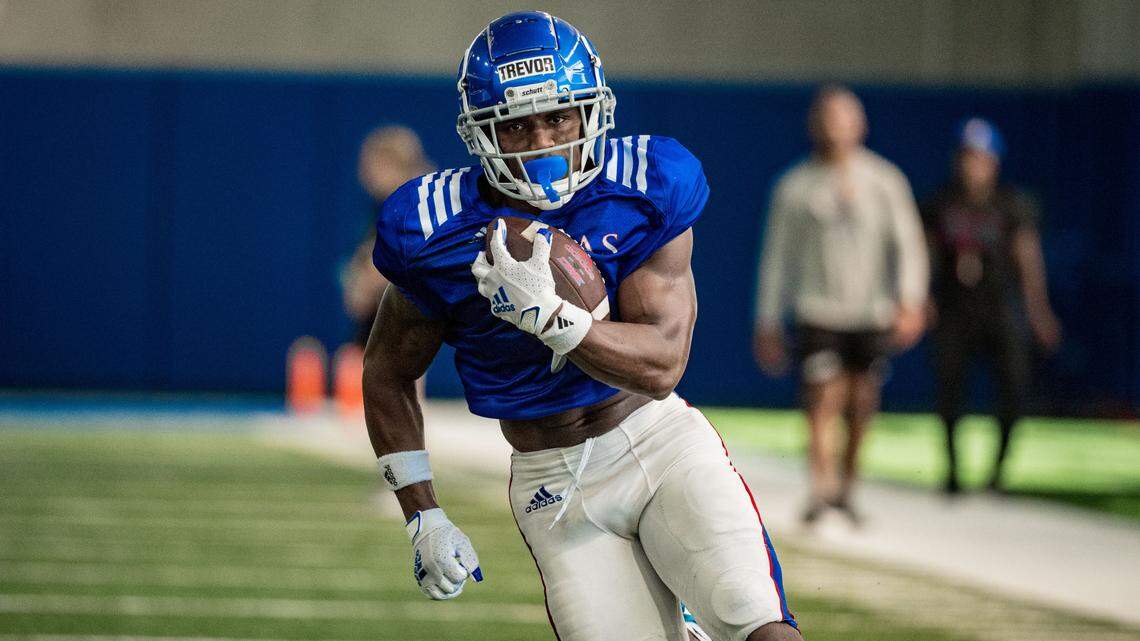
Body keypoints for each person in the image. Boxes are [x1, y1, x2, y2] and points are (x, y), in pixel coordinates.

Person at [363, 11, 800, 641]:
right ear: (479, 134)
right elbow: (386, 372)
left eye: (558, 117)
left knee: (762, 628)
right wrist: (422, 514)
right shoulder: (431, 227)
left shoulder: (646, 182)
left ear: (591, 111)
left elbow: (662, 363)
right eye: (515, 124)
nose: (541, 140)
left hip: (657, 442)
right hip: (552, 483)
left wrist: (555, 319)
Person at [753, 85, 928, 525]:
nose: (835, 129)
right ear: (814, 126)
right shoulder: (794, 186)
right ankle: (821, 486)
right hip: (818, 311)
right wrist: (768, 319)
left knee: (862, 399)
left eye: (843, 119)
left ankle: (848, 485)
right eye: (827, 119)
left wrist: (911, 300)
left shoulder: (885, 181)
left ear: (860, 125)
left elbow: (907, 244)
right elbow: (777, 256)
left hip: (870, 312)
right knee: (821, 396)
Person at [921, 117, 1061, 494]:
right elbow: (926, 255)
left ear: (994, 162)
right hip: (954, 309)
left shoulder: (1012, 205)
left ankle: (998, 472)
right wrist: (922, 298)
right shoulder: (940, 203)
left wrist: (1038, 312)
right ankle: (952, 471)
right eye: (967, 157)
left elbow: (1028, 260)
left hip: (999, 307)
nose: (973, 165)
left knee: (1014, 388)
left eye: (980, 157)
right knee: (950, 390)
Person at [341, 126, 434, 348]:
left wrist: (365, 282)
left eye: (372, 164)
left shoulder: (413, 212)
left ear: (393, 164)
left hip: (402, 337)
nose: (364, 173)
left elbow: (365, 292)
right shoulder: (384, 211)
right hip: (378, 333)